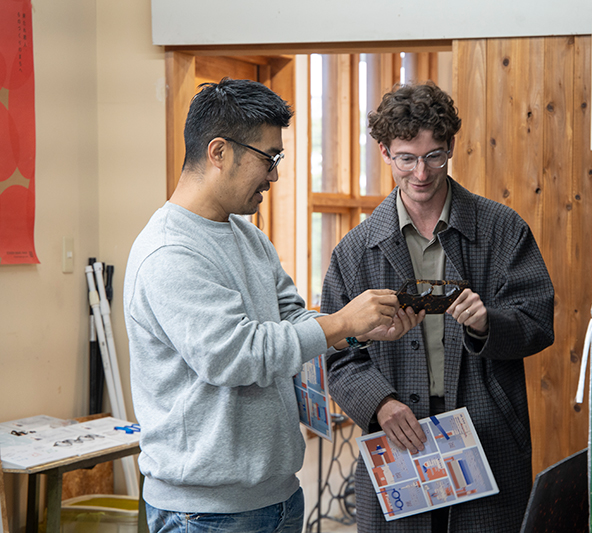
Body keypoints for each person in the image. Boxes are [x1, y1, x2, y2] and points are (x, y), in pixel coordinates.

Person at [123, 78, 422, 533]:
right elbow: (235, 355)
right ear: (219, 152)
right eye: (269, 158)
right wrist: (340, 320)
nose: (275, 175)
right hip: (207, 512)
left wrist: (358, 330)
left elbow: (291, 316)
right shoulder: (170, 253)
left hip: (278, 495)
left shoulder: (247, 236)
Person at [321, 81, 555, 532]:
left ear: (450, 146)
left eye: (433, 156)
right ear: (385, 153)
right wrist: (380, 404)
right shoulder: (354, 252)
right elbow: (338, 353)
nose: (421, 174)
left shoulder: (502, 229)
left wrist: (488, 323)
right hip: (396, 437)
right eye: (406, 158)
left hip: (488, 436)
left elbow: (537, 320)